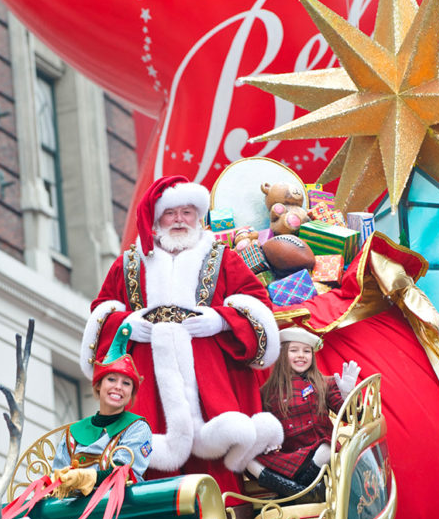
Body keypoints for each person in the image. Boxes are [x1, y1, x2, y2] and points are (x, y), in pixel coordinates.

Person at [80, 175, 283, 502]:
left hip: (209, 382)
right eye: (171, 213)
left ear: (198, 217)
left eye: (187, 212)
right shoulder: (130, 264)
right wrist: (128, 323)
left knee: (215, 466)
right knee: (148, 464)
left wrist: (220, 320)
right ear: (156, 218)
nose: (179, 220)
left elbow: (259, 305)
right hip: (148, 383)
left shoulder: (223, 258)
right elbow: (101, 314)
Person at [247, 327, 360, 499]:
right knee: (247, 459)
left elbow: (351, 416)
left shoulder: (325, 384)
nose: (301, 355)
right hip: (290, 456)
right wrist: (266, 440)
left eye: (306, 351)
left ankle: (295, 493)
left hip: (317, 453)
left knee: (326, 448)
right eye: (294, 350)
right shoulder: (266, 392)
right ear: (283, 355)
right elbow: (263, 424)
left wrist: (348, 396)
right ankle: (304, 493)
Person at [52, 326, 152, 497]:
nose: (118, 387)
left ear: (131, 393)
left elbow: (124, 473)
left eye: (126, 383)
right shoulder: (73, 433)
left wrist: (85, 477)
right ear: (99, 385)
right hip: (74, 515)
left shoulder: (137, 427)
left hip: (119, 511)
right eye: (111, 379)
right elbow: (57, 481)